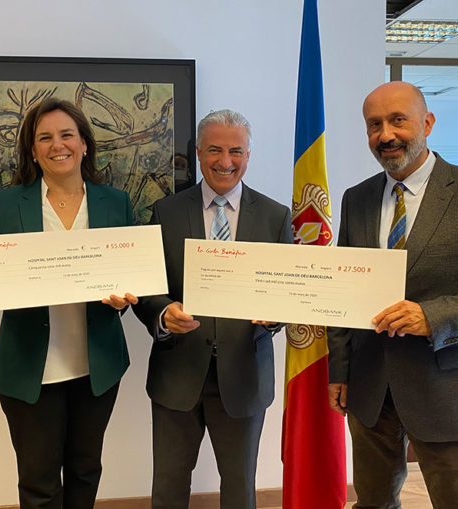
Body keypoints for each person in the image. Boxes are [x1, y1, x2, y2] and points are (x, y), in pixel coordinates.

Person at [327, 82, 458, 509]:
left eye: (398, 120)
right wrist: (340, 369)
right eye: (374, 125)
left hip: (452, 389)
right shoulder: (356, 199)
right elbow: (344, 289)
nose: (386, 134)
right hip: (371, 388)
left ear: (427, 123)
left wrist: (434, 317)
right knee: (373, 503)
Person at [0, 98, 138, 509]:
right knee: (38, 483)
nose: (57, 145)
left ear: (84, 143)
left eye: (67, 134)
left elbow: (129, 278)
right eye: (45, 138)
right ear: (33, 151)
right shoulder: (7, 204)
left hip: (97, 367)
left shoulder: (115, 203)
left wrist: (123, 300)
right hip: (29, 367)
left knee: (86, 471)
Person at [133, 109, 293, 509]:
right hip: (177, 372)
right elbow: (147, 288)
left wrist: (276, 315)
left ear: (248, 154)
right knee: (168, 489)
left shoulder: (275, 217)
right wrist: (163, 313)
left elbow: (287, 291)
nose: (225, 161)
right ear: (199, 153)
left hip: (244, 375)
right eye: (215, 150)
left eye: (236, 151)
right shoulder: (166, 212)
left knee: (240, 490)